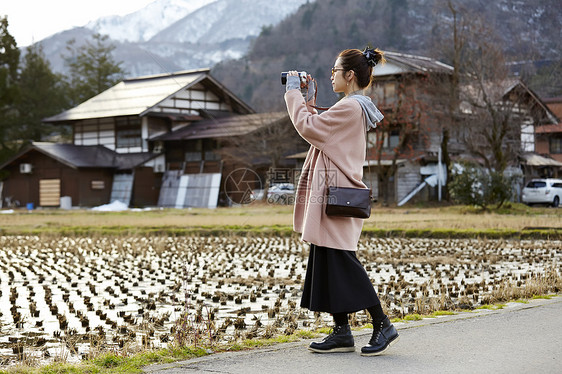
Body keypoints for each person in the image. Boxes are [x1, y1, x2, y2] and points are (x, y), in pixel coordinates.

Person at [283, 47, 399, 356]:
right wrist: (307, 98)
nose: (332, 75)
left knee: (344, 263)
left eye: (335, 71)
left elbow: (309, 128)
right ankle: (342, 331)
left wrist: (293, 94)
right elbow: (318, 126)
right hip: (334, 195)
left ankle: (382, 324)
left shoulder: (350, 108)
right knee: (328, 260)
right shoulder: (349, 106)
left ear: (349, 75)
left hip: (336, 196)